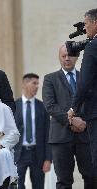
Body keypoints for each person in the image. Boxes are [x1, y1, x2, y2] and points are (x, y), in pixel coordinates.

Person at [43, 45, 95, 188]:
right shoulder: (50, 79)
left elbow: (92, 103)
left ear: (77, 56)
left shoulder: (86, 78)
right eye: (63, 55)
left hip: (85, 135)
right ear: (59, 57)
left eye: (70, 55)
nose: (67, 58)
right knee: (64, 181)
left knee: (92, 176)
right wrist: (72, 120)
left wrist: (83, 122)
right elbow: (50, 106)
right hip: (60, 137)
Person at [67, 8, 97, 186]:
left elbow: (84, 83)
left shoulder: (93, 46)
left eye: (86, 24)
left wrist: (73, 108)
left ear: (95, 23)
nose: (84, 29)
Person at [14, 73, 51, 189]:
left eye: (38, 83)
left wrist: (48, 159)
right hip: (19, 154)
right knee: (16, 186)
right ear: (25, 84)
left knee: (39, 186)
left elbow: (48, 134)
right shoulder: (14, 106)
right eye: (34, 83)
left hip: (37, 154)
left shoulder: (43, 107)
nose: (37, 86)